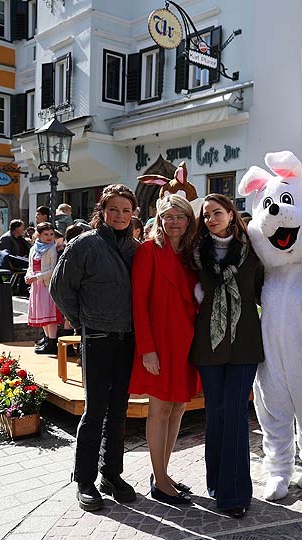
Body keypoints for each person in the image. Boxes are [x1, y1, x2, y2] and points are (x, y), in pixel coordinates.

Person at [50, 184, 140, 512]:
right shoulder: (84, 244)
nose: (119, 216)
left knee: (119, 409)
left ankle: (111, 474)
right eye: (113, 209)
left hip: (127, 338)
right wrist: (83, 321)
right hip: (97, 337)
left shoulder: (134, 247)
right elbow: (60, 288)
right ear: (102, 211)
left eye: (125, 210)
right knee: (95, 409)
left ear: (133, 214)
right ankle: (85, 479)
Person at [189, 193, 264, 519]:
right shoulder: (195, 256)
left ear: (232, 215)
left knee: (234, 413)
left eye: (217, 213)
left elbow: (267, 292)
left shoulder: (253, 254)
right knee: (215, 414)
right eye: (206, 216)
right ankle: (217, 482)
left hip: (245, 341)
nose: (211, 219)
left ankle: (235, 494)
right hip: (209, 343)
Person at [129, 195, 199, 505]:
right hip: (159, 343)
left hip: (187, 343)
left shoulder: (191, 254)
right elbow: (139, 304)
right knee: (159, 411)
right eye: (168, 216)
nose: (173, 222)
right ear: (159, 218)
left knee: (178, 408)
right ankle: (159, 480)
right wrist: (147, 349)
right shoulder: (148, 251)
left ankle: (164, 473)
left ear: (188, 220)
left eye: (179, 217)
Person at [25, 222, 62, 354]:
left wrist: (37, 277)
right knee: (42, 314)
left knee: (49, 313)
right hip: (37, 285)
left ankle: (52, 341)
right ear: (39, 235)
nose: (49, 237)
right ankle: (47, 339)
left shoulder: (52, 249)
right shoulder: (34, 248)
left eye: (51, 234)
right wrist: (28, 276)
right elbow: (30, 266)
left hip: (46, 284)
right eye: (45, 234)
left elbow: (53, 270)